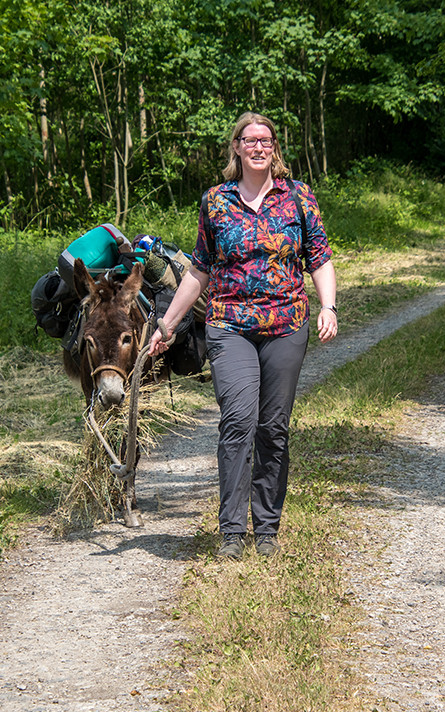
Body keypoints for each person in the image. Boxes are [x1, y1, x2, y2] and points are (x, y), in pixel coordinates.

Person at [149, 111, 338, 560]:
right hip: (229, 324)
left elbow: (319, 257)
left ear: (274, 148)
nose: (258, 147)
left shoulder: (299, 199)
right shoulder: (215, 201)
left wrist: (328, 305)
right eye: (250, 140)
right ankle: (232, 532)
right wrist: (168, 324)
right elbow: (199, 268)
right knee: (238, 420)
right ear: (236, 147)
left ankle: (267, 529)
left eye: (266, 140)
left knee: (273, 427)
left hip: (286, 325)